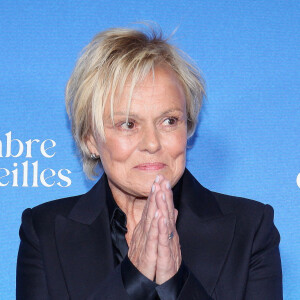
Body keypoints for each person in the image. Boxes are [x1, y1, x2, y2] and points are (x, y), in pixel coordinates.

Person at [16, 26, 283, 300]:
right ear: (90, 140)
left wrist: (175, 283)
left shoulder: (250, 230)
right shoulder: (45, 232)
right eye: (128, 124)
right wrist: (134, 277)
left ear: (188, 126)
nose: (152, 143)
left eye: (169, 121)